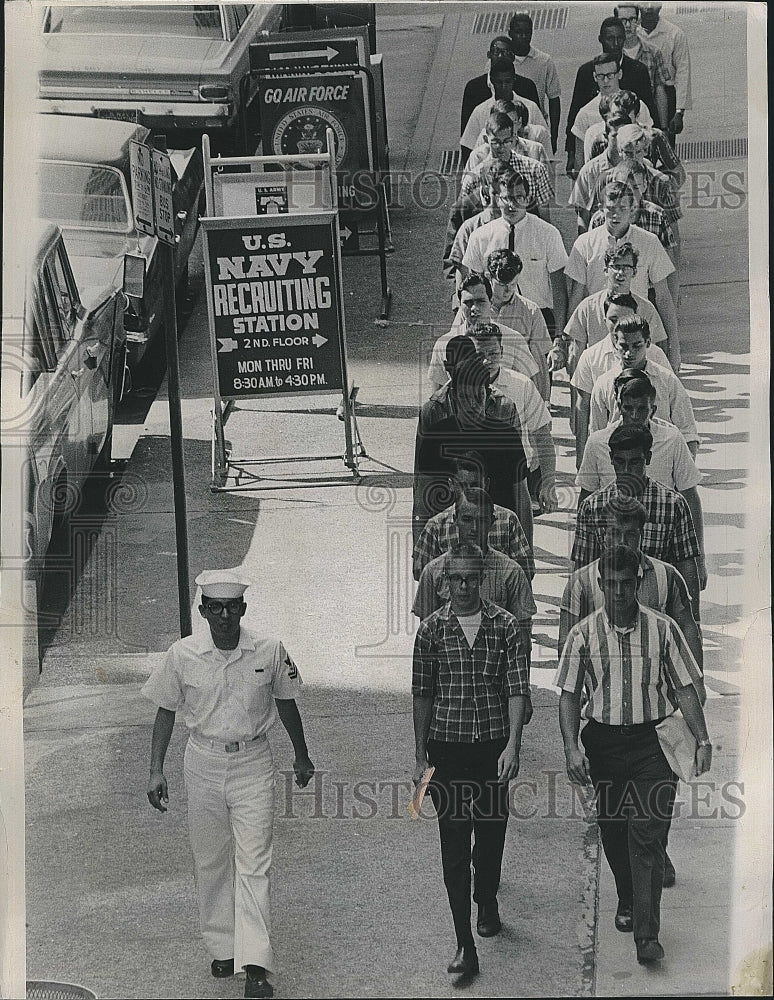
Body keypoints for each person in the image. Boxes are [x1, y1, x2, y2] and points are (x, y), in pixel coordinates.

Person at [143, 570, 315, 1000]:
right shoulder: (183, 655)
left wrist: (301, 754)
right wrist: (155, 769)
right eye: (214, 608)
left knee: (254, 861)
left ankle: (255, 963)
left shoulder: (269, 650)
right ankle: (222, 947)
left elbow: (285, 702)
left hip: (253, 763)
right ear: (203, 611)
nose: (224, 616)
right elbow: (165, 710)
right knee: (212, 860)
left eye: (231, 607)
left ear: (243, 608)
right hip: (201, 762)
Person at [556, 544, 712, 965]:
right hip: (604, 743)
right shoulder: (583, 635)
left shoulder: (663, 630)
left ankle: (646, 934)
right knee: (614, 828)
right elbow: (569, 697)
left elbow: (683, 688)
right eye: (613, 584)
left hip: (652, 743)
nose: (621, 591)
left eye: (628, 583)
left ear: (639, 581)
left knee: (645, 835)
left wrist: (702, 738)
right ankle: (627, 895)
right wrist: (571, 746)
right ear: (602, 584)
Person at [413, 541, 531, 976]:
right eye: (455, 579)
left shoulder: (505, 627)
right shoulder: (430, 630)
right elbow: (422, 694)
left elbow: (518, 688)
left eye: (471, 578)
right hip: (447, 751)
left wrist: (513, 745)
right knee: (454, 847)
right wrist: (419, 756)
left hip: (491, 750)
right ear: (444, 583)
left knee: (492, 838)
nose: (463, 587)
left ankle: (487, 897)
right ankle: (464, 942)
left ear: (483, 579)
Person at [559, 497, 704, 686]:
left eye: (630, 535)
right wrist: (576, 689)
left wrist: (697, 683)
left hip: (658, 696)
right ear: (604, 535)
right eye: (615, 533)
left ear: (641, 535)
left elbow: (688, 628)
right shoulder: (580, 582)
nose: (622, 541)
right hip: (601, 696)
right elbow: (567, 640)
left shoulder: (667, 576)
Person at [572, 424, 703, 607]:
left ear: (647, 458)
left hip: (658, 608)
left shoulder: (673, 505)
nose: (626, 470)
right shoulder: (592, 508)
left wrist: (694, 621)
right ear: (611, 459)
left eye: (634, 462)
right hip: (607, 609)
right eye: (619, 462)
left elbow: (686, 566)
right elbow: (582, 570)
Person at [414, 344, 530, 545]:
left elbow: (521, 498)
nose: (473, 404)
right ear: (455, 396)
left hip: (498, 538)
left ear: (487, 394)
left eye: (479, 396)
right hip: (449, 541)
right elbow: (422, 502)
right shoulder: (435, 438)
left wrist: (527, 553)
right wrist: (419, 551)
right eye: (466, 398)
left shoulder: (506, 437)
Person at [564, 182, 678, 358]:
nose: (615, 215)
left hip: (637, 333)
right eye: (610, 209)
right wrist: (571, 342)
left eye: (622, 208)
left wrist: (674, 346)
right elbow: (576, 296)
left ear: (633, 209)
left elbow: (663, 296)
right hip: (599, 332)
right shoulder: (584, 244)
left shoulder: (649, 242)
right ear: (600, 208)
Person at [412, 489, 536, 648]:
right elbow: (426, 640)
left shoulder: (511, 573)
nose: (475, 528)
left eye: (482, 520)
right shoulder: (433, 572)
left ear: (492, 521)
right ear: (455, 520)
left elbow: (522, 640)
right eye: (467, 519)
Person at [462, 169, 568, 339]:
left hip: (538, 318)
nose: (512, 205)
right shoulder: (480, 237)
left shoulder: (548, 234)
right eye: (507, 198)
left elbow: (559, 290)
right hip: (494, 317)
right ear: (498, 199)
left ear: (527, 199)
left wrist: (559, 336)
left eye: (519, 197)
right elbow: (473, 287)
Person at [470, 323, 557, 517]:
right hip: (470, 482)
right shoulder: (458, 389)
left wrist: (549, 484)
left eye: (492, 354)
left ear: (502, 351)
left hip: (516, 481)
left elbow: (543, 437)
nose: (486, 361)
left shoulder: (522, 385)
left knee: (518, 540)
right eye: (479, 355)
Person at [570, 294, 670, 461]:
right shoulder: (590, 357)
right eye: (613, 319)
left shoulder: (655, 355)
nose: (618, 324)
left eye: (625, 318)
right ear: (604, 320)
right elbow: (583, 408)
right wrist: (582, 456)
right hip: (615, 451)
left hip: (656, 447)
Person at [412, 450, 534, 582]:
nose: (468, 491)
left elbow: (526, 573)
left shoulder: (508, 520)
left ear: (486, 484)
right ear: (451, 485)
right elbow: (421, 574)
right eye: (462, 485)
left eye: (475, 485)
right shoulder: (436, 527)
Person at [552, 243, 670, 376]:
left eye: (627, 267)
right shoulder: (587, 307)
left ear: (635, 272)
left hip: (635, 383)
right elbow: (575, 357)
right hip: (596, 378)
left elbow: (657, 353)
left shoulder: (646, 309)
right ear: (606, 270)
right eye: (616, 267)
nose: (621, 272)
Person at [590, 317, 698, 455]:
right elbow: (597, 436)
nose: (629, 353)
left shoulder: (667, 380)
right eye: (624, 346)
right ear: (615, 343)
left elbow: (688, 432)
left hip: (661, 459)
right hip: (620, 464)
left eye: (637, 345)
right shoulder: (603, 384)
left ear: (647, 343)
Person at [564, 16, 654, 175]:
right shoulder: (585, 72)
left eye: (619, 38)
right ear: (601, 39)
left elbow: (649, 115)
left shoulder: (638, 70)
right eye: (610, 38)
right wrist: (571, 152)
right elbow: (576, 114)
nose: (615, 43)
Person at [428, 274, 542, 394]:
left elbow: (531, 387)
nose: (474, 308)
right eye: (468, 303)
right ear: (460, 305)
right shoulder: (444, 344)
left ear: (491, 301)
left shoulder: (514, 340)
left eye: (480, 301)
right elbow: (437, 395)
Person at [484, 248, 553, 398]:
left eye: (513, 284)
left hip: (516, 391)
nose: (508, 290)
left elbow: (539, 364)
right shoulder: (475, 308)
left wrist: (544, 401)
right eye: (502, 285)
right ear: (489, 277)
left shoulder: (531, 311)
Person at [570, 53, 653, 171]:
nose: (605, 80)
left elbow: (649, 144)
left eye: (610, 75)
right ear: (594, 77)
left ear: (619, 74)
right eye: (600, 76)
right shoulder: (585, 113)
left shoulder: (639, 106)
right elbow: (580, 160)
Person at [461, 61, 549, 162]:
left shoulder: (531, 107)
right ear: (492, 81)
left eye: (507, 82)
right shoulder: (480, 111)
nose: (503, 87)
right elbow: (469, 147)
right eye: (499, 82)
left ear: (514, 80)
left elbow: (545, 146)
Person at [461, 35, 541, 136]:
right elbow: (466, 133)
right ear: (489, 55)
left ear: (513, 57)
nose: (500, 56)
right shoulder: (474, 88)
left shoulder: (527, 86)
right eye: (496, 51)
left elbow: (539, 130)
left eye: (505, 52)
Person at [638, 2, 692, 147]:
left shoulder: (675, 34)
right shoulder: (630, 33)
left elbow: (682, 72)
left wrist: (679, 112)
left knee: (665, 149)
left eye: (653, 3)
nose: (649, 8)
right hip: (636, 96)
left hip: (665, 98)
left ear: (660, 5)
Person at [507, 12, 562, 153]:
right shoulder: (499, 63)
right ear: (510, 33)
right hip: (506, 129)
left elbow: (554, 100)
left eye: (527, 32)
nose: (524, 37)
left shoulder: (545, 61)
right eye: (519, 32)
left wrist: (553, 137)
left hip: (534, 128)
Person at [615, 4, 670, 128]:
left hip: (648, 121)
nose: (628, 25)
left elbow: (660, 92)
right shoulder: (612, 56)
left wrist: (664, 128)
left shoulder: (654, 52)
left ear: (638, 20)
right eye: (623, 20)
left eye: (632, 19)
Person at [465, 98, 550, 169]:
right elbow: (468, 185)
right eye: (501, 124)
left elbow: (549, 185)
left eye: (511, 123)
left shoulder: (535, 151)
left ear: (519, 123)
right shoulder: (478, 156)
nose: (506, 129)